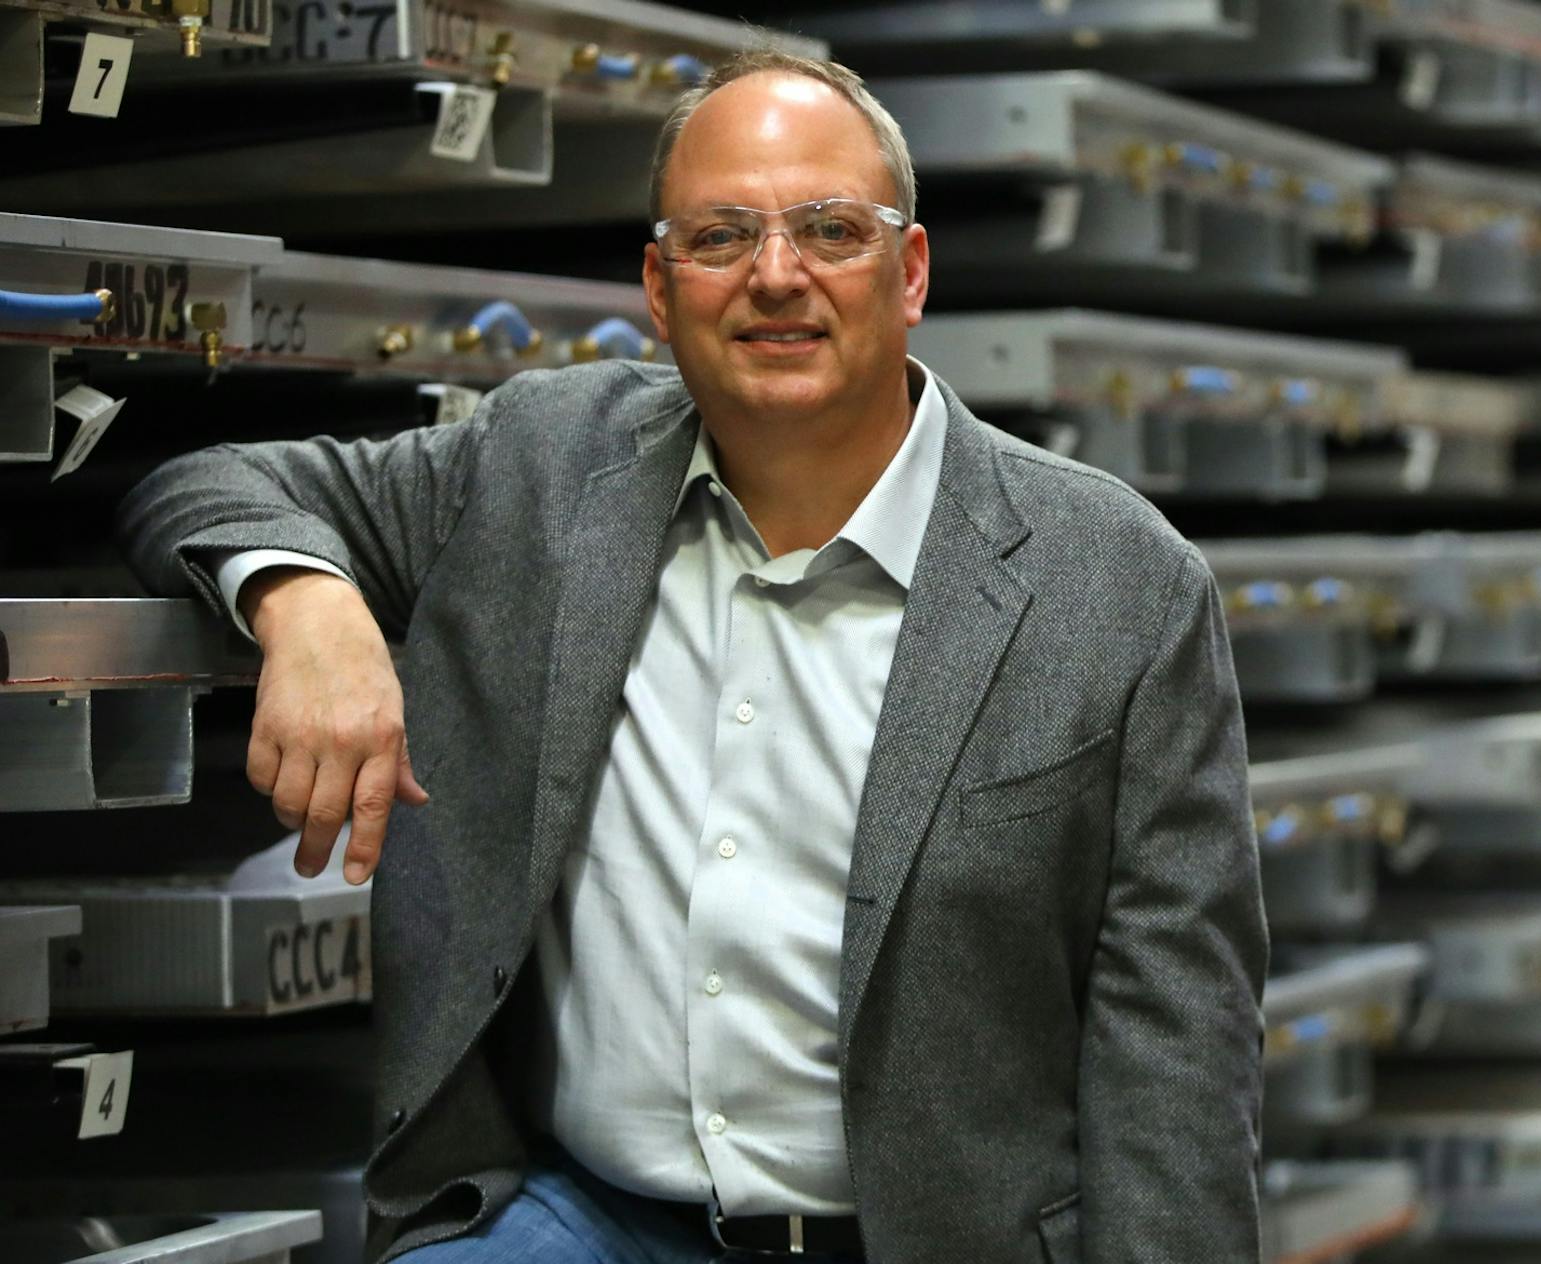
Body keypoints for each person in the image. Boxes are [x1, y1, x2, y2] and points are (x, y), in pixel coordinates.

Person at [118, 50, 1267, 1264]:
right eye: (722, 238)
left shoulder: (1117, 585)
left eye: (831, 229)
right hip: (594, 1221)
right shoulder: (543, 466)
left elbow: (1177, 1049)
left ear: (911, 270)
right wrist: (311, 605)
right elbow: (201, 481)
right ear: (660, 292)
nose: (778, 277)